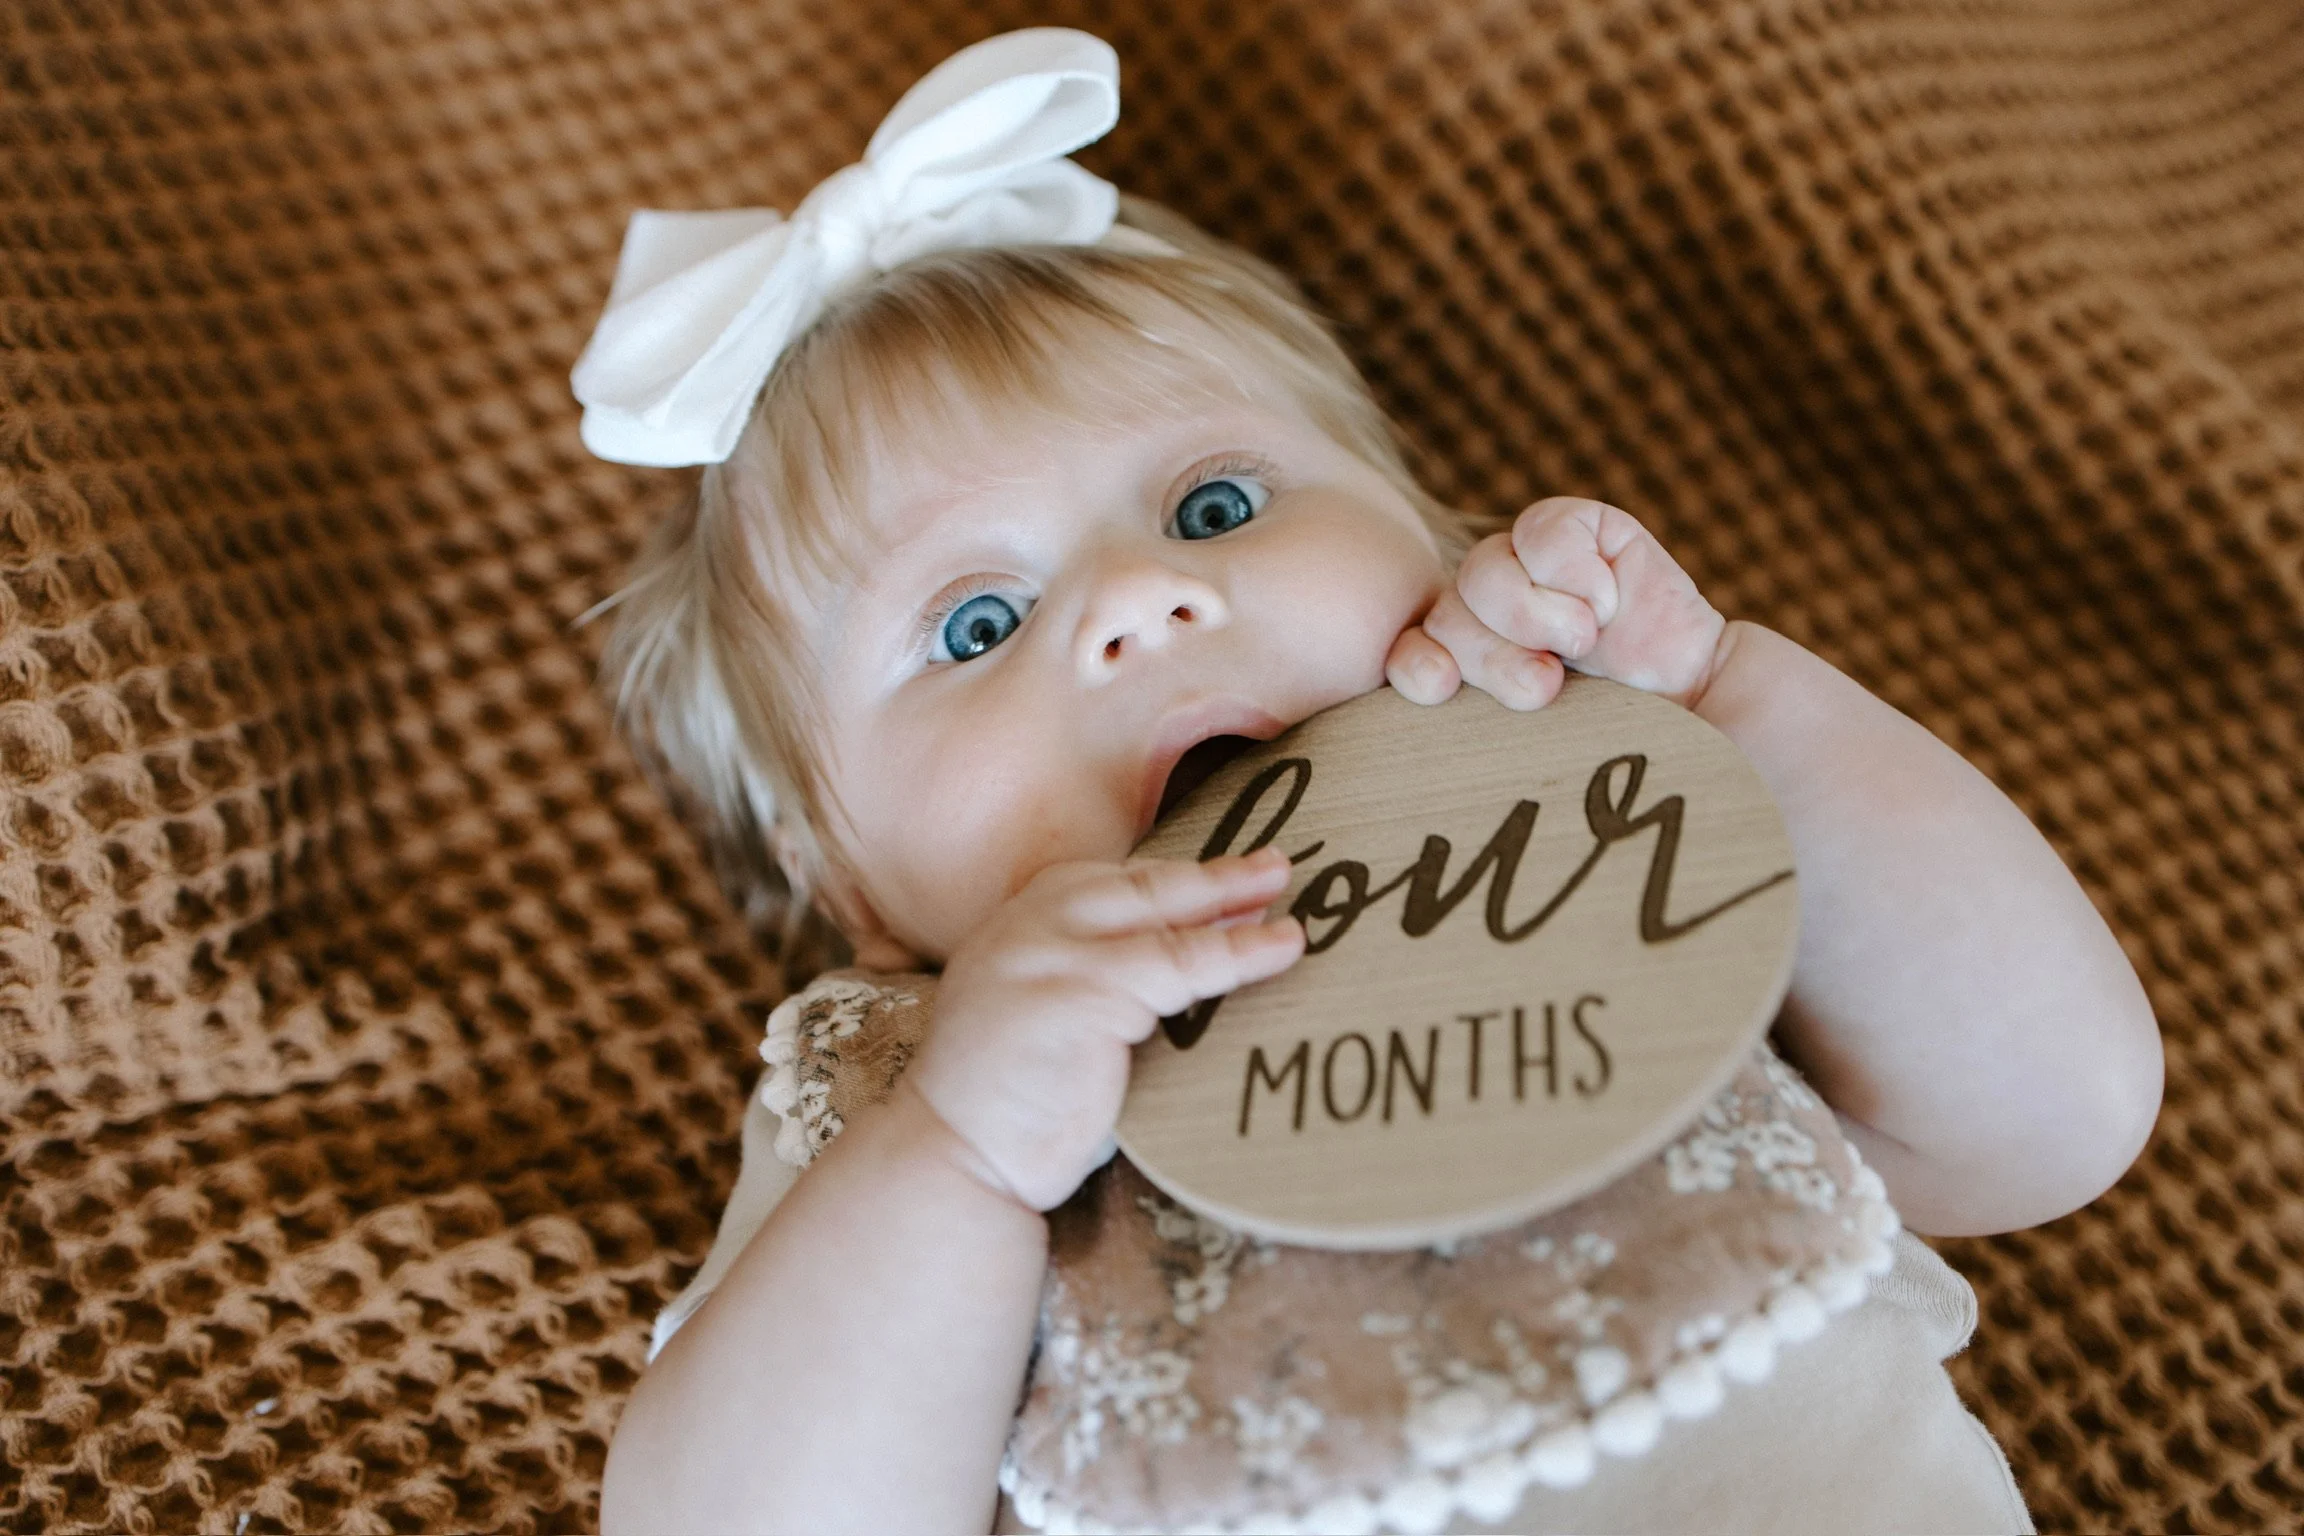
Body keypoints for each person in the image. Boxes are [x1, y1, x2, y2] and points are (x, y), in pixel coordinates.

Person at [569, 28, 2161, 1533]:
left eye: (1214, 507)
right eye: (976, 625)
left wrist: (1725, 701)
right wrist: (963, 1155)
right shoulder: (902, 1092)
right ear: (843, 874)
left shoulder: (1613, 827)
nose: (1140, 602)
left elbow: (2051, 1119)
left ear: (1439, 546)